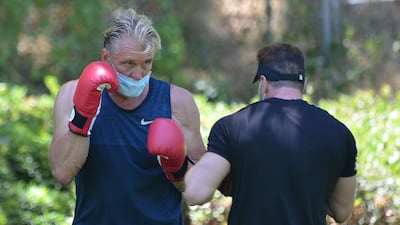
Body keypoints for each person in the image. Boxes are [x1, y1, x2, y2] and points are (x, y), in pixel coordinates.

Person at [49, 8, 206, 225]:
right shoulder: (71, 94)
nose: (138, 74)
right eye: (129, 63)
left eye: (147, 63)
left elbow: (201, 192)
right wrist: (84, 115)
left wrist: (177, 166)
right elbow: (62, 172)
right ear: (106, 57)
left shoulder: (177, 102)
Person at [184, 43, 358, 225]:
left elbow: (195, 193)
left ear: (264, 83)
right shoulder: (340, 134)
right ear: (303, 84)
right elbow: (342, 212)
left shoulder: (231, 126)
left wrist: (177, 165)